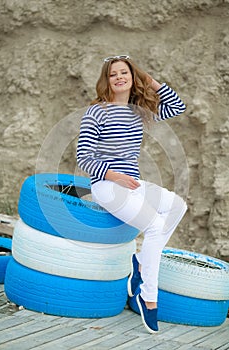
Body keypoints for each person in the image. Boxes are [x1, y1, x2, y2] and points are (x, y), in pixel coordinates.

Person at [77, 55, 187, 334]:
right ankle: (148, 298)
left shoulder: (139, 111)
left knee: (176, 205)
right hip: (107, 185)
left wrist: (147, 78)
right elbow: (84, 156)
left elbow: (177, 106)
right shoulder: (96, 112)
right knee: (155, 226)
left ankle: (139, 263)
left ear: (132, 76)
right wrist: (114, 176)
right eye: (113, 74)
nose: (118, 78)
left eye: (124, 72)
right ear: (106, 80)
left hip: (132, 184)